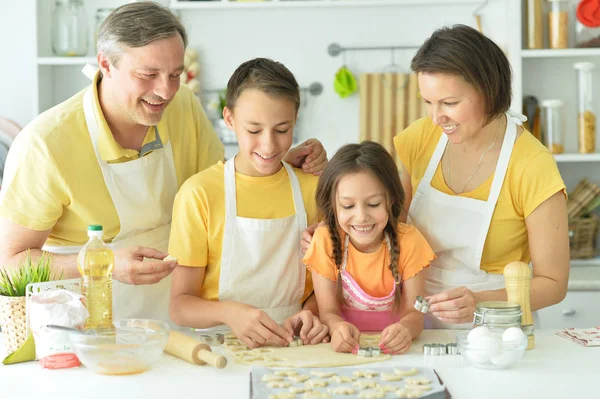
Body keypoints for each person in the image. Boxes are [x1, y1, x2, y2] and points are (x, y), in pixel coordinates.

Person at [0, 2, 327, 323]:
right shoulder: (46, 144)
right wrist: (105, 261)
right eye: (148, 74)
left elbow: (219, 183)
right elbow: (10, 262)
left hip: (176, 316)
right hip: (84, 321)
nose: (165, 91)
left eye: (175, 74)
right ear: (106, 65)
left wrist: (272, 161)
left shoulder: (182, 104)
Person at [393, 24, 569, 328]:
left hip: (497, 327)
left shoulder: (531, 164)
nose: (437, 118)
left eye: (449, 103)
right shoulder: (419, 139)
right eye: (428, 103)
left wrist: (479, 301)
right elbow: (391, 230)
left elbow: (553, 283)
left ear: (488, 91)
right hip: (417, 320)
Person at [168, 58, 329, 349]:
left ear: (295, 119)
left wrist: (310, 314)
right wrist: (230, 313)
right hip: (219, 346)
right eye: (254, 130)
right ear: (229, 119)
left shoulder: (314, 188)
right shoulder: (199, 194)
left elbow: (330, 282)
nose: (268, 146)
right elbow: (180, 305)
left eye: (282, 129)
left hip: (296, 345)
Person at [302, 141, 435, 354]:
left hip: (399, 353)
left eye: (373, 204)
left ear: (391, 200)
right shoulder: (324, 241)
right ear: (333, 205)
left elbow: (416, 312)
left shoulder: (410, 241)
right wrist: (337, 328)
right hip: (344, 351)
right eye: (348, 206)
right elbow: (327, 311)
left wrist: (405, 329)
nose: (362, 216)